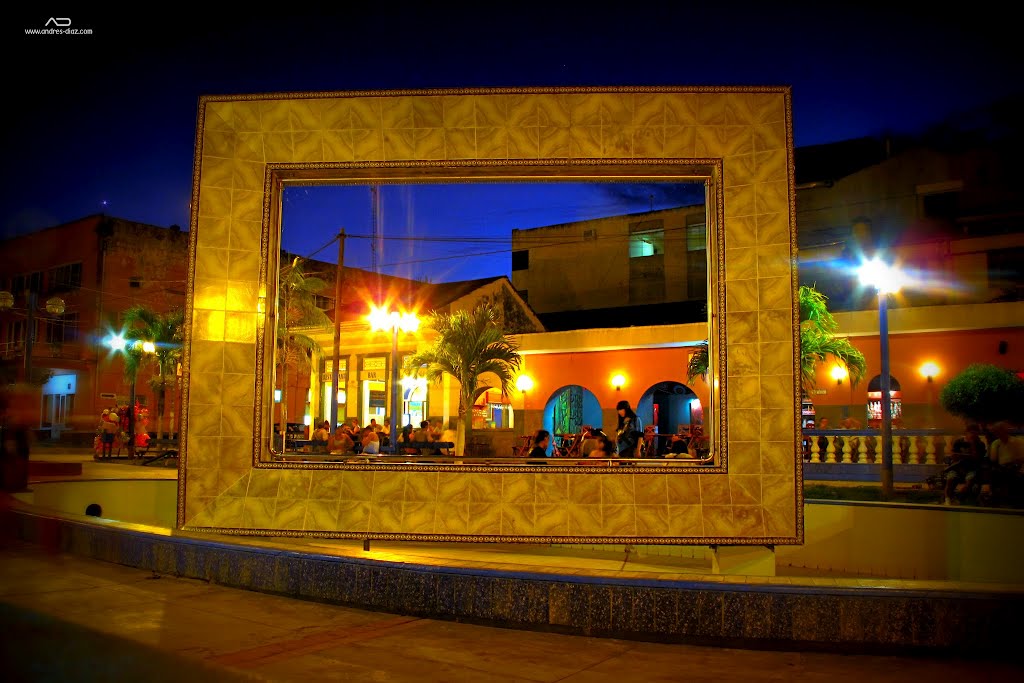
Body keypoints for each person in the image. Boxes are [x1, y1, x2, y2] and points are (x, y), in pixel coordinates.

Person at [943, 424, 987, 505]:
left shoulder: (980, 444)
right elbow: (954, 456)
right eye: (971, 432)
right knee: (951, 479)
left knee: (970, 481)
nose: (973, 435)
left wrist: (972, 444)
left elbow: (977, 458)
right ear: (966, 432)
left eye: (975, 433)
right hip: (957, 468)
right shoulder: (959, 442)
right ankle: (947, 500)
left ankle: (959, 498)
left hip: (971, 469)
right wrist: (968, 456)